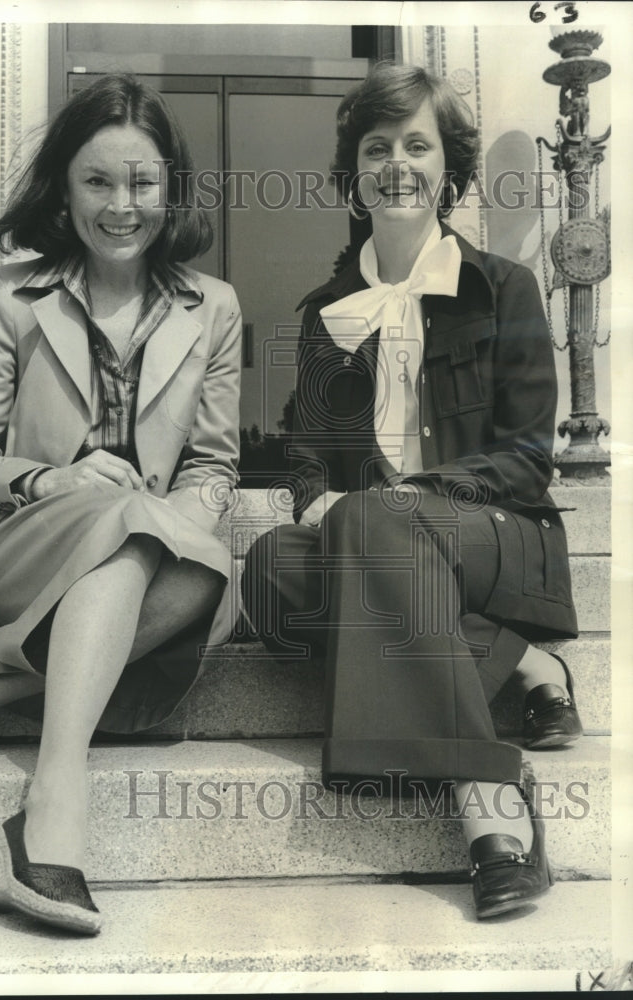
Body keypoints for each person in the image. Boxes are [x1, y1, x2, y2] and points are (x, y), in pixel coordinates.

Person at [0, 73, 242, 936]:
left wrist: (171, 517)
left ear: (170, 188)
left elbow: (216, 467)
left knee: (193, 564)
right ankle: (54, 800)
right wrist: (49, 479)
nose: (123, 205)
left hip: (149, 563)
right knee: (128, 521)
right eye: (98, 182)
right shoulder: (11, 294)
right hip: (20, 558)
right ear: (63, 190)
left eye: (143, 183)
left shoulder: (213, 306)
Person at [240, 61, 582, 921]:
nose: (397, 161)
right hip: (382, 548)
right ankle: (522, 663)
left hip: (495, 536)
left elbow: (526, 458)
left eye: (417, 145)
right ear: (354, 172)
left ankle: (489, 812)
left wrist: (402, 496)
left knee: (377, 516)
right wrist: (318, 498)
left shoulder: (503, 288)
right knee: (272, 568)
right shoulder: (324, 313)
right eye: (377, 146)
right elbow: (307, 453)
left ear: (447, 165)